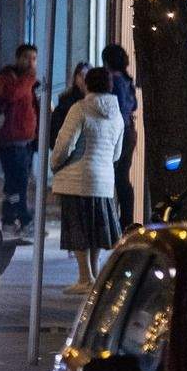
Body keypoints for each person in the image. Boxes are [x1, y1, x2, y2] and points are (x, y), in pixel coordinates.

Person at [51, 65, 124, 296]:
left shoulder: (79, 109)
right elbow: (117, 153)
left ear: (87, 84)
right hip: (103, 180)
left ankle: (85, 277)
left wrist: (55, 163)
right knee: (94, 230)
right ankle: (92, 276)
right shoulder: (117, 113)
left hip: (77, 177)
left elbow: (65, 144)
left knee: (79, 229)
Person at [0, 44, 40, 237]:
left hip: (26, 141)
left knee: (16, 184)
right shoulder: (8, 78)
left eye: (34, 58)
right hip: (11, 140)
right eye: (27, 58)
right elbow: (12, 94)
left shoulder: (28, 82)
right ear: (18, 58)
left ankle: (11, 219)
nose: (31, 62)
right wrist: (29, 79)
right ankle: (21, 218)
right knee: (16, 183)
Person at [101, 44, 138, 225]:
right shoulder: (126, 79)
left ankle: (121, 221)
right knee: (123, 177)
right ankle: (126, 220)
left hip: (119, 134)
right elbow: (133, 106)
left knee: (116, 177)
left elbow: (117, 108)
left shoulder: (114, 81)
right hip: (130, 132)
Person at [48, 62, 90, 148]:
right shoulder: (66, 99)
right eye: (81, 75)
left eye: (87, 75)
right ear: (75, 77)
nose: (84, 78)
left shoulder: (93, 99)